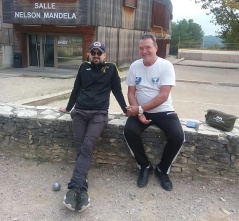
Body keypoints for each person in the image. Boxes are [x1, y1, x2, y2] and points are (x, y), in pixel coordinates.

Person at [59, 41, 127, 212]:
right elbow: (76, 89)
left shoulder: (111, 68)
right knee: (82, 148)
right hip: (80, 112)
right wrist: (68, 108)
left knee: (87, 146)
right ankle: (82, 188)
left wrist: (125, 109)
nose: (96, 55)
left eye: (99, 53)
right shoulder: (83, 67)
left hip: (99, 114)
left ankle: (74, 188)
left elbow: (117, 90)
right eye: (93, 53)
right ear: (89, 54)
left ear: (105, 54)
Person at [124, 33, 185, 191]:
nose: (144, 51)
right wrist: (138, 112)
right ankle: (144, 166)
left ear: (156, 48)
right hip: (141, 110)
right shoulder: (135, 66)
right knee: (129, 131)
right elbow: (131, 92)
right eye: (141, 48)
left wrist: (141, 109)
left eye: (148, 47)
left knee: (178, 136)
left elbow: (164, 95)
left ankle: (162, 169)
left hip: (164, 111)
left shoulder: (166, 66)